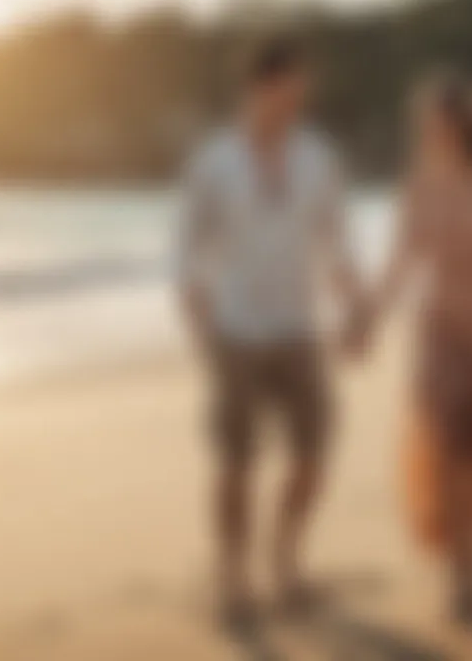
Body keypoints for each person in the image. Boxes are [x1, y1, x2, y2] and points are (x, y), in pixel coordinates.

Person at [177, 35, 365, 624]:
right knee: (236, 461)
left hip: (299, 328)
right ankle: (233, 578)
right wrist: (199, 316)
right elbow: (187, 246)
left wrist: (355, 305)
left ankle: (284, 558)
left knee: (314, 451)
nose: (298, 100)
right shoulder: (214, 161)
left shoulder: (320, 158)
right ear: (259, 87)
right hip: (235, 331)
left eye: (302, 90)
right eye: (289, 88)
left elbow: (335, 241)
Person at [377, 71, 472, 622]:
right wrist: (369, 313)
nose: (433, 129)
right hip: (439, 331)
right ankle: (463, 578)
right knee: (444, 455)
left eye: (442, 118)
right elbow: (401, 258)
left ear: (463, 122)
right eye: (427, 121)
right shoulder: (419, 183)